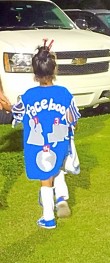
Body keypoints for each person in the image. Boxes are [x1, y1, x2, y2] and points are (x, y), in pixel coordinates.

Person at [0, 39, 81, 229]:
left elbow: (17, 113)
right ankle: (61, 199)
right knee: (58, 168)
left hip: (39, 145)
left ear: (34, 73)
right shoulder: (65, 93)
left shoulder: (28, 96)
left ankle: (48, 217)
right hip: (60, 140)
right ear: (54, 70)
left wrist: (7, 106)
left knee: (45, 178)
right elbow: (73, 118)